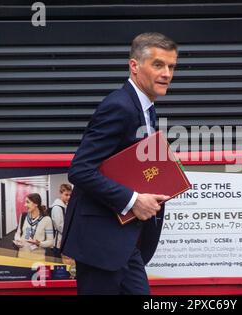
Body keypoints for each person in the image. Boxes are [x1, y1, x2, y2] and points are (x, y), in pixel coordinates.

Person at [61, 32, 177, 295]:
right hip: (100, 242)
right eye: (158, 64)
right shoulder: (119, 107)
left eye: (171, 66)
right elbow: (80, 170)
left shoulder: (146, 108)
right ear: (134, 66)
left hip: (124, 243)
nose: (167, 74)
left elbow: (126, 164)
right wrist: (134, 199)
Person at [13, 193, 54, 261]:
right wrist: (18, 240)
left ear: (36, 204)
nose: (25, 205)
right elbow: (18, 233)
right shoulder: (23, 216)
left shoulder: (47, 220)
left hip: (38, 259)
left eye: (28, 202)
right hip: (22, 256)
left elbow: (51, 241)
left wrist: (39, 243)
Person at [49, 183, 72, 258]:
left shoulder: (64, 206)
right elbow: (60, 226)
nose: (68, 197)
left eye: (70, 195)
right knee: (60, 266)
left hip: (64, 241)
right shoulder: (57, 208)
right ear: (60, 193)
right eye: (66, 195)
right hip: (59, 242)